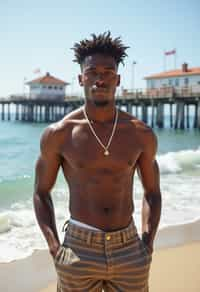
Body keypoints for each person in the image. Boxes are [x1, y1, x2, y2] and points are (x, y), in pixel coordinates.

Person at [33, 31, 162, 292]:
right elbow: (40, 192)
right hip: (79, 248)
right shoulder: (59, 134)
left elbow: (153, 192)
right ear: (81, 78)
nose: (100, 79)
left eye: (108, 72)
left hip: (129, 246)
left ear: (118, 79)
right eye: (92, 72)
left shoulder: (140, 133)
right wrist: (55, 247)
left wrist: (147, 242)